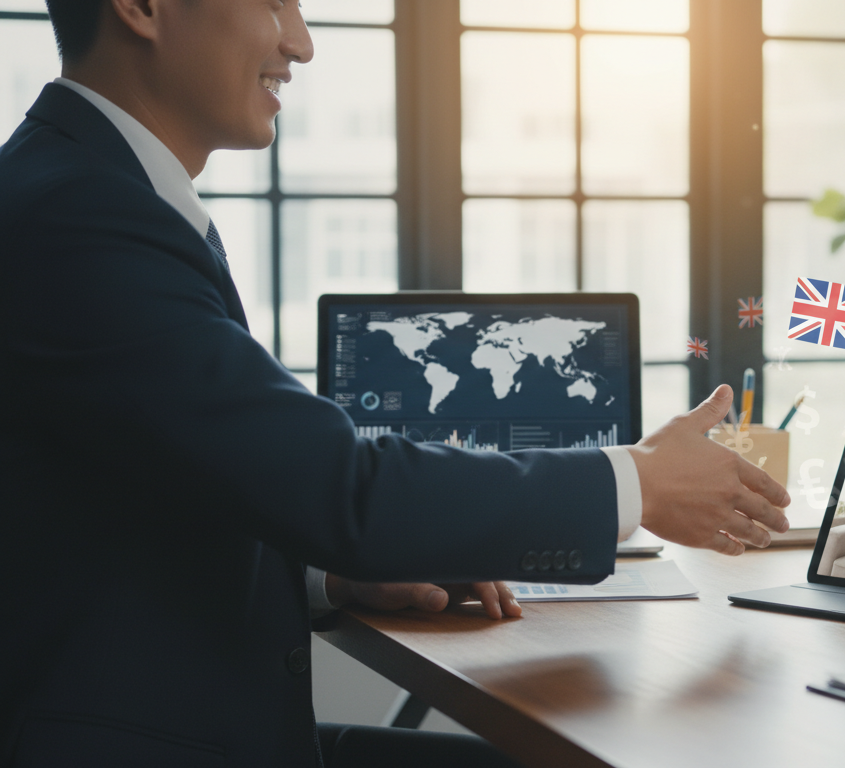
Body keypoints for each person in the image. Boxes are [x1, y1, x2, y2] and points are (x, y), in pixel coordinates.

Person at [0, 2, 789, 766]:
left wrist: (329, 575)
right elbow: (342, 487)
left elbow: (150, 498)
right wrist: (637, 482)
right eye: (275, 2)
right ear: (141, 6)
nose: (300, 44)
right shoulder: (82, 214)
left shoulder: (85, 188)